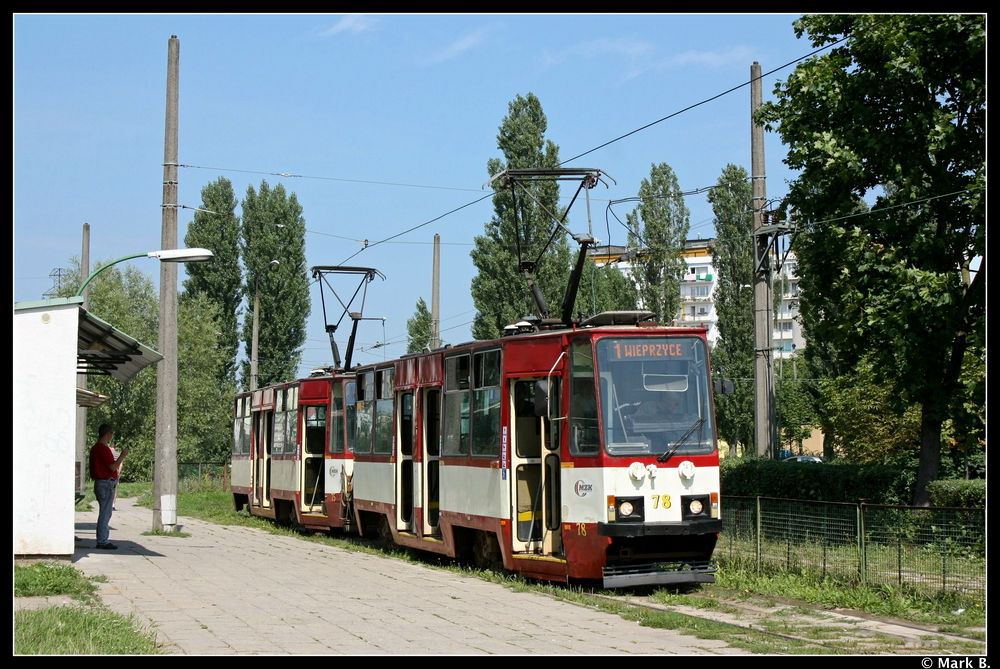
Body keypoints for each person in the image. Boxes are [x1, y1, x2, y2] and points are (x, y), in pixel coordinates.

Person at [89, 424, 129, 550]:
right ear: (108, 434)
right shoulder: (104, 449)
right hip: (106, 483)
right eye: (111, 434)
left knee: (104, 512)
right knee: (105, 513)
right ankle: (102, 540)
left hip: (99, 483)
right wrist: (122, 456)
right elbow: (112, 467)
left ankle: (102, 539)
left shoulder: (94, 448)